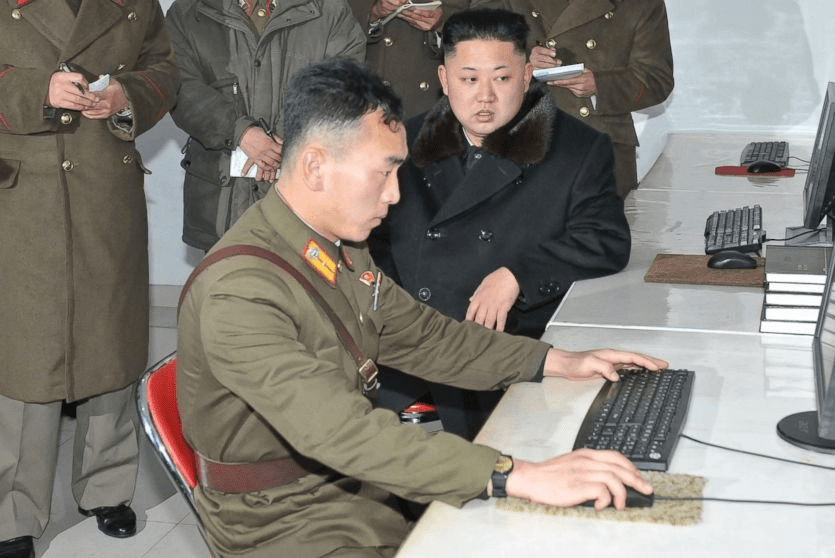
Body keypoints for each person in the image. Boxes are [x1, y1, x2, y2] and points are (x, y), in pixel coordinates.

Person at [177, 56, 667, 558]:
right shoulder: (240, 291)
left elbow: (426, 338)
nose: (394, 194)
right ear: (316, 167)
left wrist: (554, 361)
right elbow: (340, 432)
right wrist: (514, 475)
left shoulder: (336, 247)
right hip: (282, 522)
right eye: (383, 172)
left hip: (356, 490)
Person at [369, 7, 630, 439]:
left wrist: (517, 276)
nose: (485, 97)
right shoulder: (402, 143)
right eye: (469, 79)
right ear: (444, 79)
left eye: (502, 78)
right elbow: (368, 242)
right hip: (407, 356)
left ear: (527, 77)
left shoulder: (577, 148)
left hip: (505, 359)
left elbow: (604, 240)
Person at [0, 0, 179, 555]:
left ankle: (107, 485)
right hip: (22, 197)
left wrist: (126, 94)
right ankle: (13, 511)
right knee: (27, 355)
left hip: (107, 191)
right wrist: (37, 89)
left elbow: (165, 69)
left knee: (110, 342)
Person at [166, 0, 366, 250]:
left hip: (304, 203)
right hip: (222, 203)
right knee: (229, 272)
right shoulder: (189, 11)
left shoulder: (330, 10)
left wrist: (287, 138)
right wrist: (241, 133)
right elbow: (178, 86)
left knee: (301, 273)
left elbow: (345, 83)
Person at [497, 0, 675, 197]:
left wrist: (600, 85)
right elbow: (476, 59)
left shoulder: (640, 4)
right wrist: (524, 62)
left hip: (600, 147)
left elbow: (657, 80)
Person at [350, 0, 470, 118]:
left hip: (425, 86)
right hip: (368, 85)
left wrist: (443, 21)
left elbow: (466, 12)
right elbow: (344, 15)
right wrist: (373, 11)